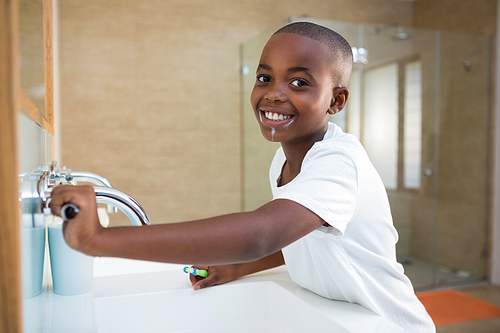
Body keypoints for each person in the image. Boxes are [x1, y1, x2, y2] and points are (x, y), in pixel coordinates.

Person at [50, 22, 435, 332]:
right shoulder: (282, 162)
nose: (274, 94)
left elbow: (262, 233)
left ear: (336, 100)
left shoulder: (338, 161)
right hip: (341, 315)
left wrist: (98, 239)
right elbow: (299, 237)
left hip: (390, 323)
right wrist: (239, 267)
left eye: (299, 83)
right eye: (265, 78)